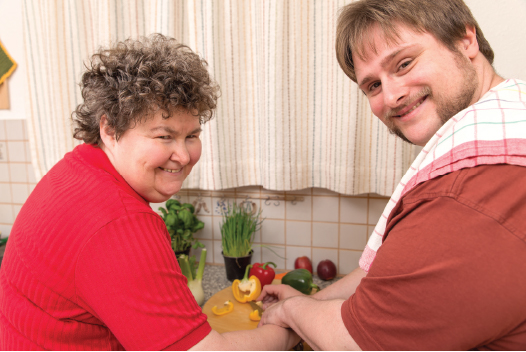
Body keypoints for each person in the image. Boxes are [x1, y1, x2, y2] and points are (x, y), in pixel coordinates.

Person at [0, 34, 299, 350]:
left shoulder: (75, 170)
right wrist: (291, 328)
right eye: (164, 136)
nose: (183, 156)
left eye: (192, 135)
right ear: (110, 129)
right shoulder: (119, 223)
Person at [257, 0, 526, 350]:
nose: (392, 96)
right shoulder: (505, 116)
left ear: (465, 40)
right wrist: (318, 300)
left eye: (404, 63)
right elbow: (391, 276)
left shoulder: (467, 193)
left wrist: (291, 311)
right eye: (372, 86)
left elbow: (358, 341)